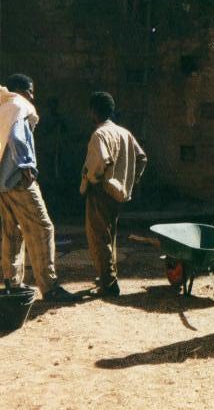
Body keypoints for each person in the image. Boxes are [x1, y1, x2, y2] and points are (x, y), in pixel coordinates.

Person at [0, 74, 77, 301]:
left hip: (3, 183)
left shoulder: (3, 107)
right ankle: (50, 287)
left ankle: (11, 284)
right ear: (21, 90)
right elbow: (17, 136)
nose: (33, 96)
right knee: (43, 228)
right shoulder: (19, 105)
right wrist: (26, 166)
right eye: (30, 90)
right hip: (18, 179)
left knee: (12, 232)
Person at [80, 92, 147, 297]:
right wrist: (130, 181)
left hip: (101, 190)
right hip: (117, 193)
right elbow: (142, 158)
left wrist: (92, 179)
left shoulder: (100, 134)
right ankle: (108, 277)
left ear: (93, 111)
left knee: (98, 238)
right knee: (110, 236)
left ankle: (109, 284)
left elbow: (100, 163)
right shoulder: (124, 132)